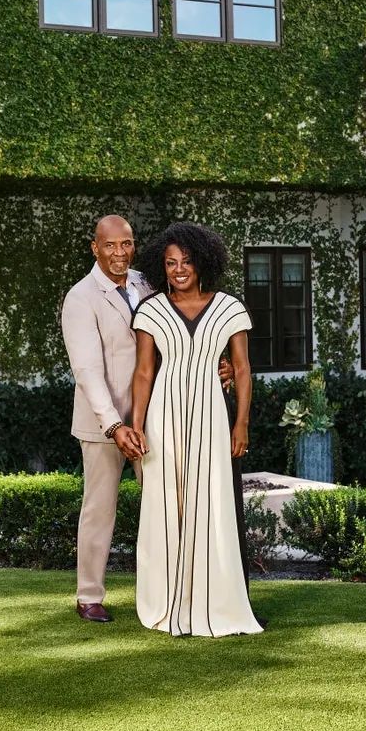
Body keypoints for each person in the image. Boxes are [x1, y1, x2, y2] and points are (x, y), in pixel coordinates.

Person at [130, 222, 263, 638]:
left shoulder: (229, 308)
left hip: (212, 415)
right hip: (163, 418)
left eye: (186, 261)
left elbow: (242, 369)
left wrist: (241, 423)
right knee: (166, 505)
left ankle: (216, 600)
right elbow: (143, 372)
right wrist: (136, 425)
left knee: (213, 503)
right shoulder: (150, 310)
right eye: (171, 263)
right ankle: (168, 599)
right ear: (162, 267)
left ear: (202, 261)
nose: (179, 270)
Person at [61, 215, 153, 623]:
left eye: (126, 243)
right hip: (104, 426)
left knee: (162, 503)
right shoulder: (81, 297)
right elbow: (87, 370)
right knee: (99, 509)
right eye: (111, 245)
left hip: (149, 418)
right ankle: (89, 596)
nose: (120, 252)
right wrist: (114, 425)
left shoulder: (146, 284)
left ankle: (167, 587)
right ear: (95, 248)